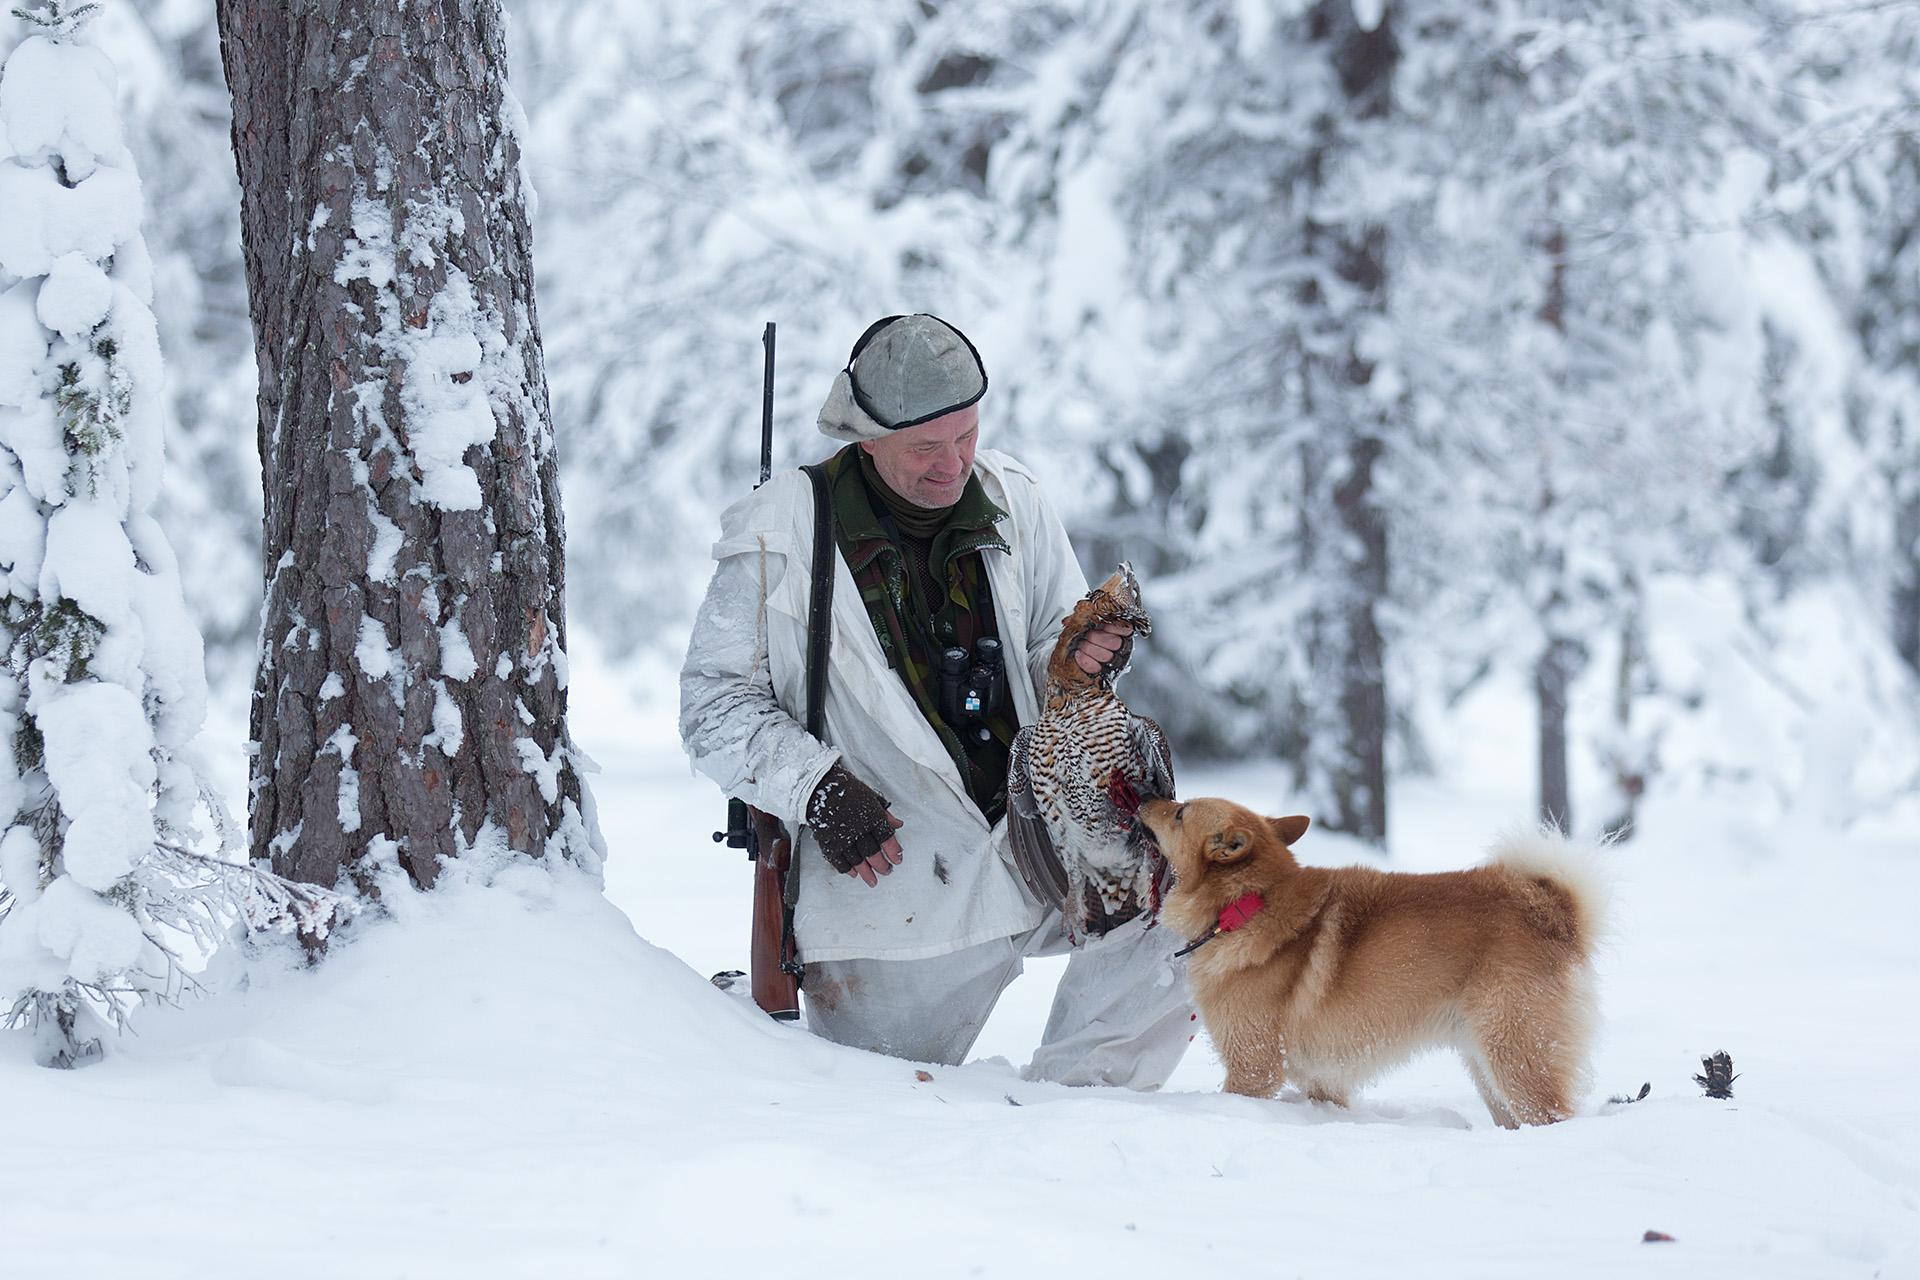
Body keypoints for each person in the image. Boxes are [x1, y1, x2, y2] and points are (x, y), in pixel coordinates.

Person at [679, 314, 1191, 1088]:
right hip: (894, 889)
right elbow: (712, 706)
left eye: (967, 436)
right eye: (926, 447)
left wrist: (1080, 656)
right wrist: (815, 787)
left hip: (1036, 841)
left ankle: (1081, 1114)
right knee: (880, 1106)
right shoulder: (777, 533)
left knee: (1200, 902)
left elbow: (1047, 642)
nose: (953, 464)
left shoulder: (1014, 498)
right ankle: (739, 1022)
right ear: (866, 437)